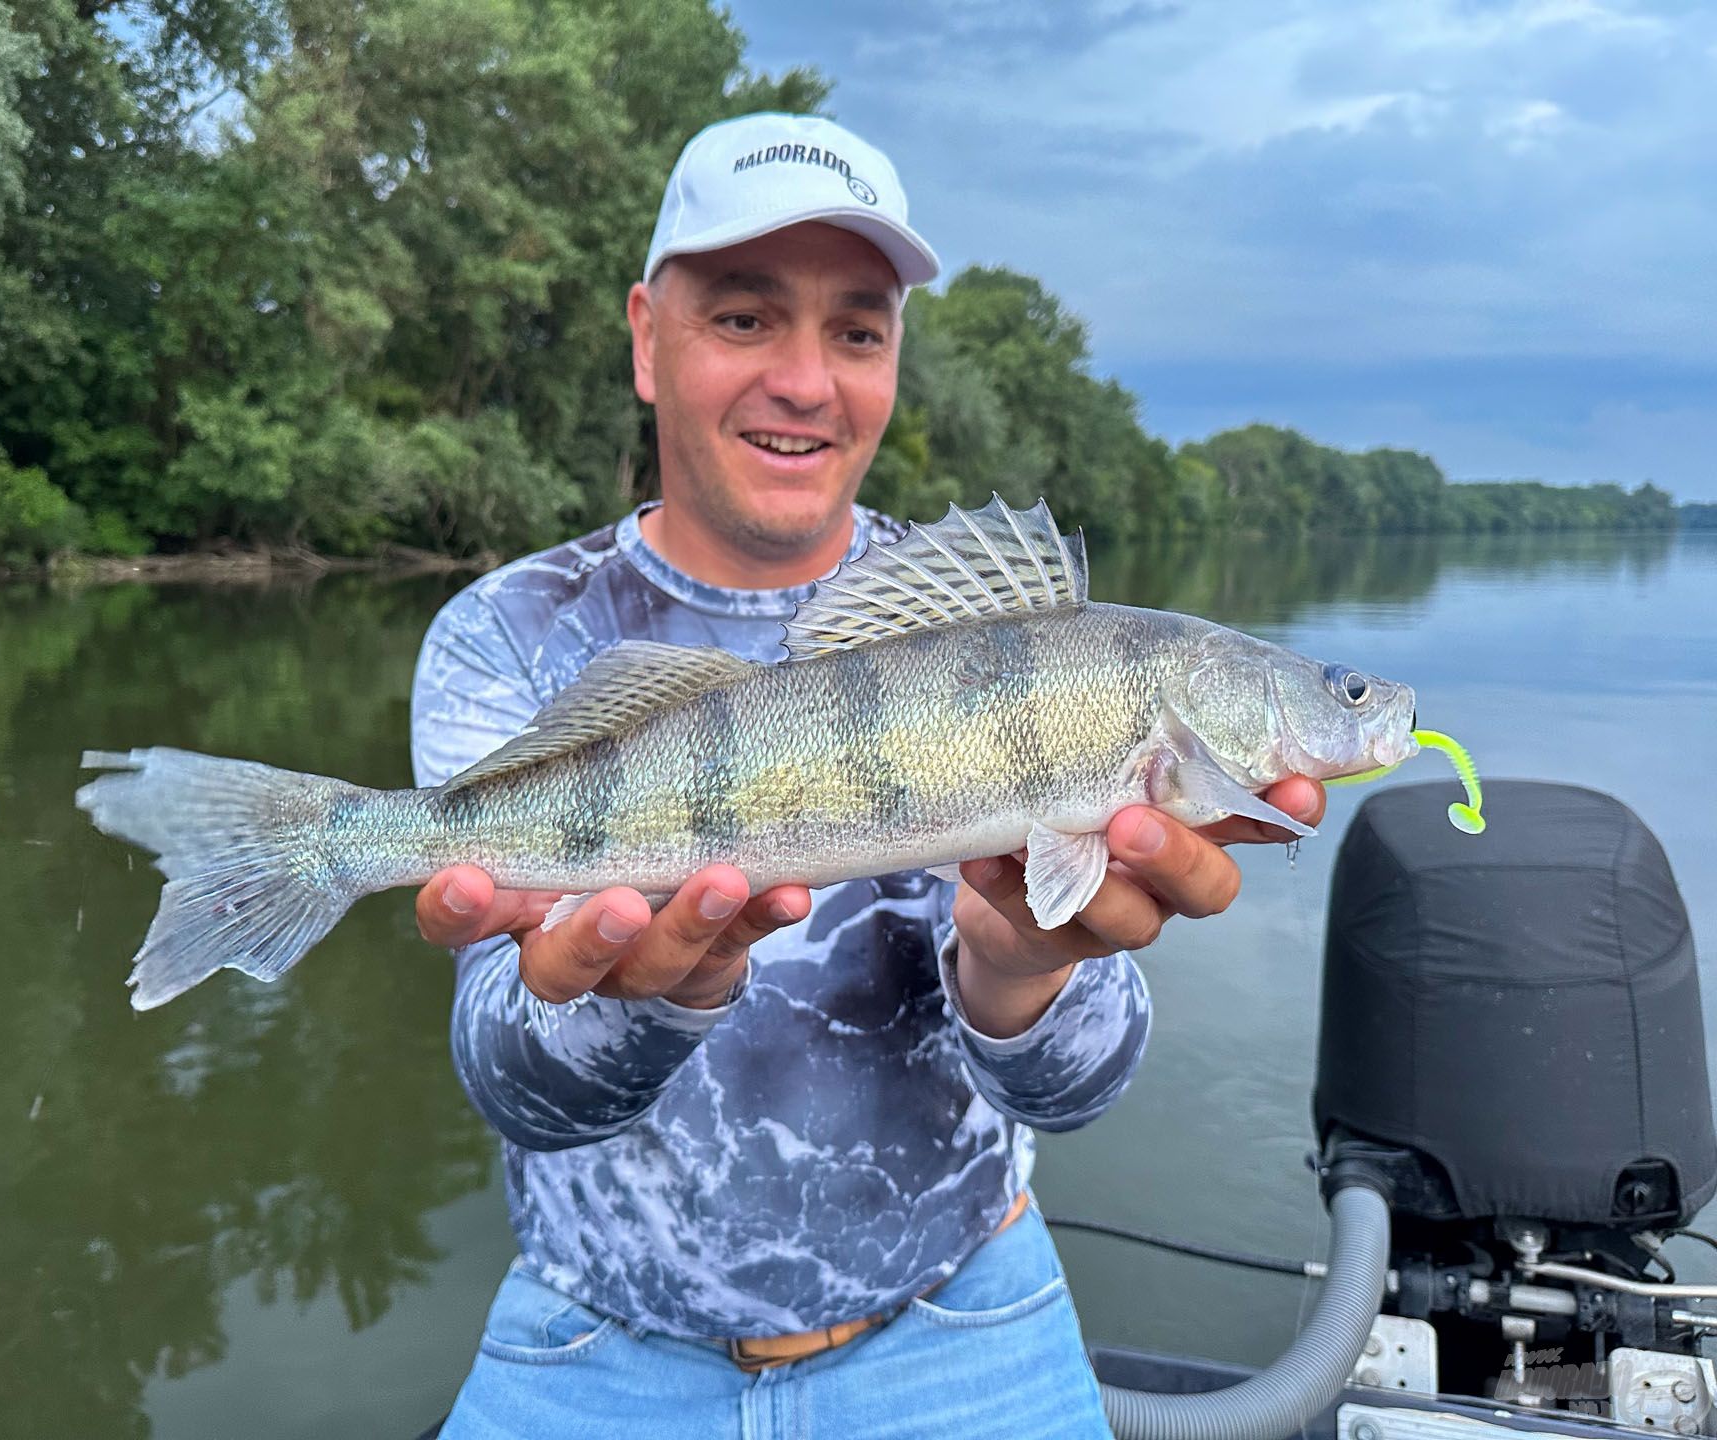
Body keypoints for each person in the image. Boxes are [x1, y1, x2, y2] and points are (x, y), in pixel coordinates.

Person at [410, 112, 1325, 1439]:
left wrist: (1023, 968)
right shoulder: (514, 633)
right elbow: (515, 1085)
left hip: (968, 1324)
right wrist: (651, 1000)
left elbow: (1078, 1089)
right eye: (741, 317)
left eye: (857, 330)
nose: (805, 380)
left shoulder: (1026, 650)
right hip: (593, 1344)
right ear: (643, 337)